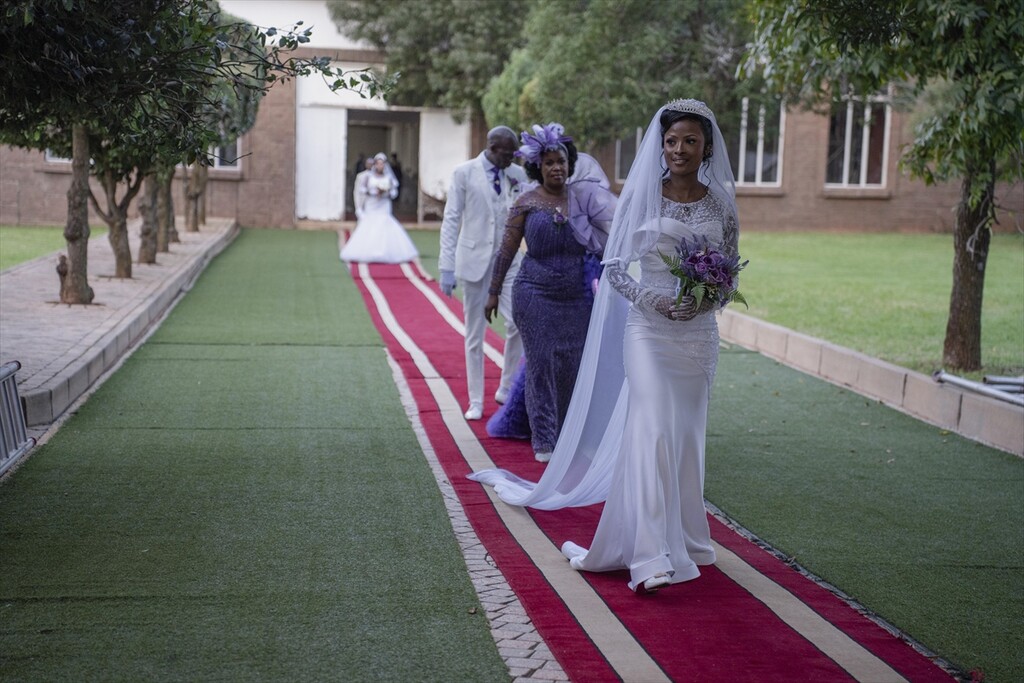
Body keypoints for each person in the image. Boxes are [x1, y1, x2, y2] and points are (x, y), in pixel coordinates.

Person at [469, 99, 740, 594]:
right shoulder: (643, 197)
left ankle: (686, 536)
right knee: (652, 429)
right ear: (661, 146)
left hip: (698, 338)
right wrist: (655, 300)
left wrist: (706, 300)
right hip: (648, 331)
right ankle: (649, 556)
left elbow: (729, 272)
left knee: (684, 437)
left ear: (706, 148)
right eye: (671, 141)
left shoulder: (721, 204)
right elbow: (614, 267)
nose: (679, 149)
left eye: (690, 141)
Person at [485, 124, 615, 463]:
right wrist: (493, 292)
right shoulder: (525, 202)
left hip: (577, 297)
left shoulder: (585, 199)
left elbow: (609, 240)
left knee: (572, 367)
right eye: (549, 163)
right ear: (537, 167)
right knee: (541, 366)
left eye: (561, 161)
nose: (556, 167)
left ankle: (568, 434)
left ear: (569, 164)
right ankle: (544, 439)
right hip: (534, 294)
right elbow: (506, 250)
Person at [439, 127, 528, 421]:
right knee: (474, 335)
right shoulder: (464, 173)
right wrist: (446, 265)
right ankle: (475, 400)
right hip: (474, 260)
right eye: (507, 153)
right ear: (492, 147)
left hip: (509, 261)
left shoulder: (517, 174)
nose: (512, 159)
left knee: (517, 322)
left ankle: (505, 387)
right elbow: (452, 219)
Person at [340, 153, 419, 264]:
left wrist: (385, 192)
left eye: (382, 164)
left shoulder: (388, 177)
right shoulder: (368, 176)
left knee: (384, 224)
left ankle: (385, 251)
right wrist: (373, 192)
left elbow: (394, 192)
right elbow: (362, 190)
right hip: (372, 204)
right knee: (370, 225)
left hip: (384, 204)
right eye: (378, 164)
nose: (380, 166)